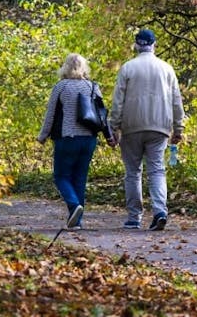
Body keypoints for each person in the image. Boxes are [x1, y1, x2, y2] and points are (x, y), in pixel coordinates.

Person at [110, 28, 186, 231]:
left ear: (136, 45)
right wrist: (178, 128)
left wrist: (114, 127)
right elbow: (176, 101)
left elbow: (118, 101)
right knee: (157, 170)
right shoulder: (166, 69)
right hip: (159, 126)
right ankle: (160, 210)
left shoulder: (127, 68)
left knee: (133, 172)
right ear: (154, 45)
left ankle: (134, 217)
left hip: (131, 126)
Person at [37, 53, 115, 230]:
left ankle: (74, 206)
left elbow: (50, 115)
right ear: (84, 67)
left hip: (68, 138)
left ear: (65, 67)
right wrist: (109, 137)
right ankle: (76, 222)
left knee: (61, 176)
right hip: (89, 139)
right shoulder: (93, 87)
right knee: (80, 178)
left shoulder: (61, 87)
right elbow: (102, 115)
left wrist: (42, 136)